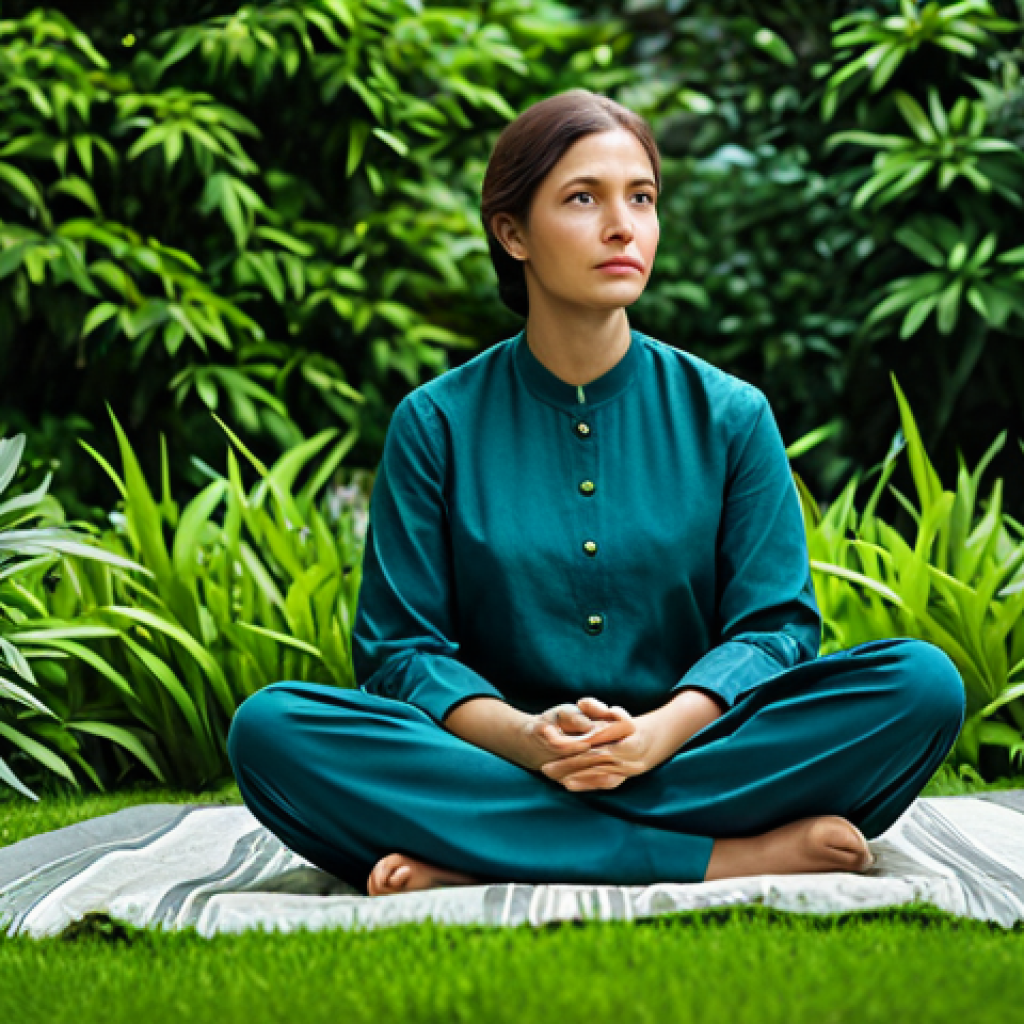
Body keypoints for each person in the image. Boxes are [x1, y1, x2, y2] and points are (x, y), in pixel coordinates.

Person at [227, 89, 966, 899]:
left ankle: (483, 854)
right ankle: (722, 858)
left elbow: (775, 629)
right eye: (584, 198)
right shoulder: (435, 423)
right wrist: (529, 740)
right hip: (494, 758)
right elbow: (402, 651)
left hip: (696, 750)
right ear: (513, 234)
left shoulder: (730, 415)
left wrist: (653, 736)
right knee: (272, 730)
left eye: (641, 199)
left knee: (919, 685)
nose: (624, 226)